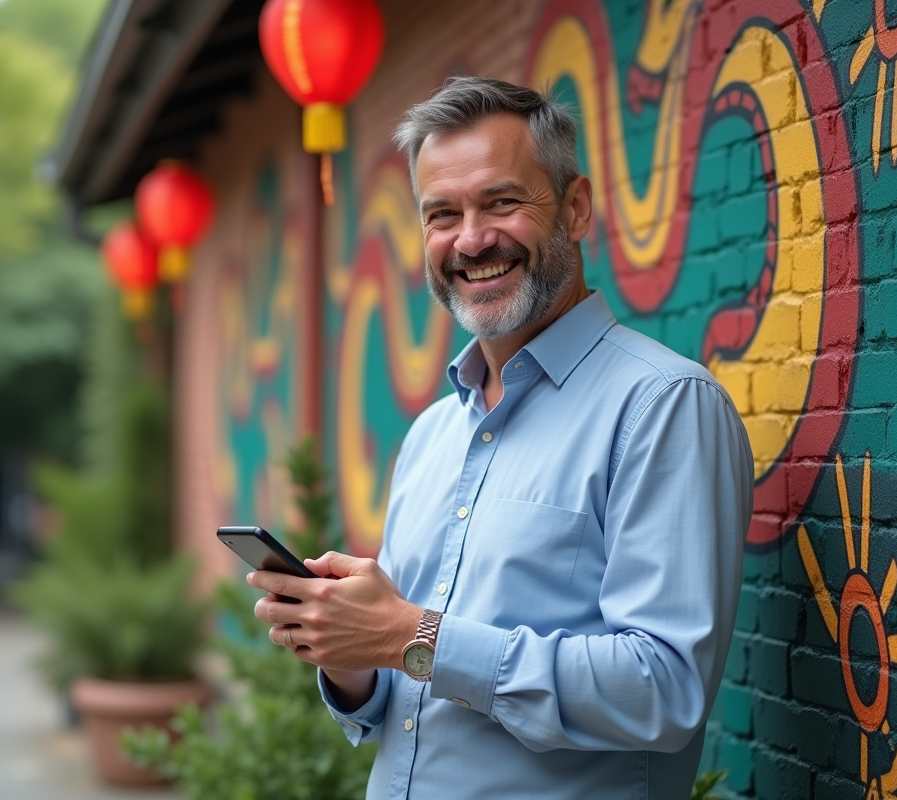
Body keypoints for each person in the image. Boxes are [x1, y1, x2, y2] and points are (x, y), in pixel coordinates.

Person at [248, 76, 754, 799]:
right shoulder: (430, 434)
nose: (472, 239)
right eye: (442, 214)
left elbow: (664, 690)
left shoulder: (663, 406)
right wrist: (350, 653)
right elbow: (408, 700)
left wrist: (412, 636)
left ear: (575, 209)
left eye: (503, 202)